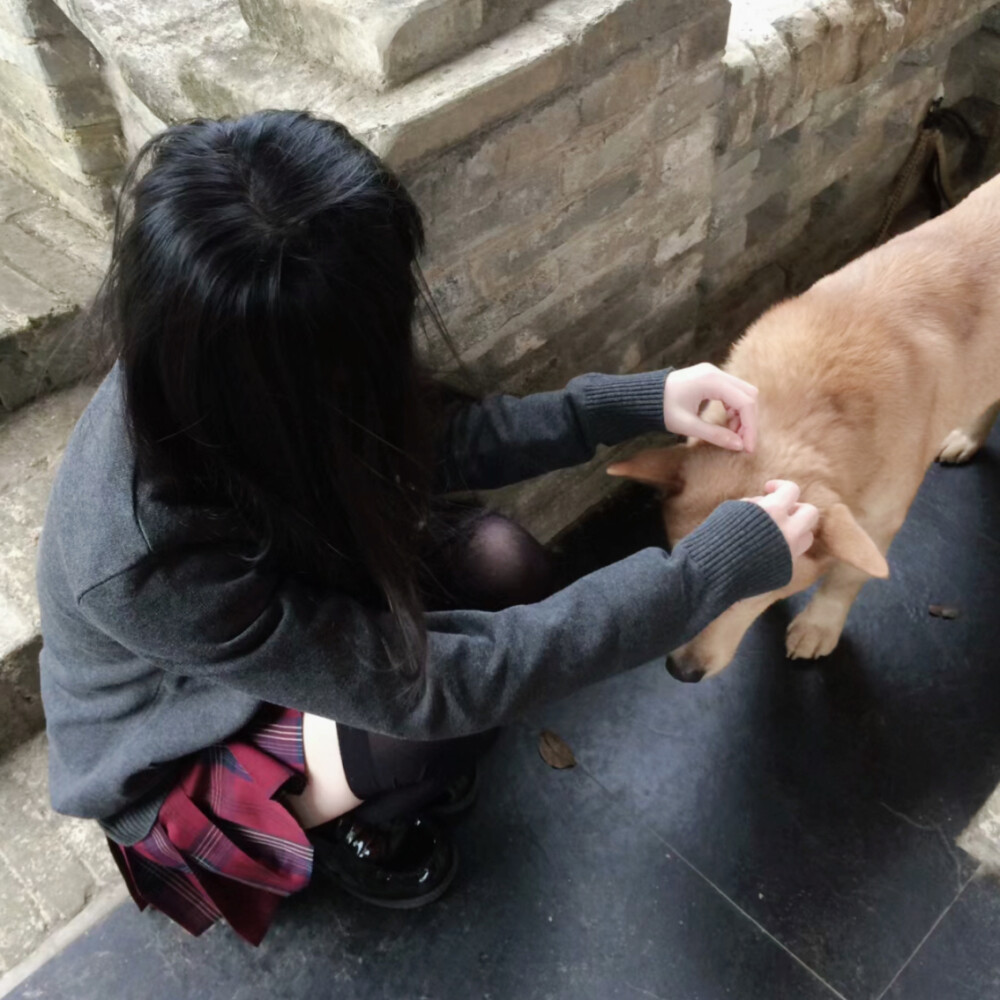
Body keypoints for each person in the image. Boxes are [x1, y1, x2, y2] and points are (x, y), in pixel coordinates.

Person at [36, 110, 819, 946]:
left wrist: (632, 404)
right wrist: (703, 574)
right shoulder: (141, 553)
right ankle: (355, 826)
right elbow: (436, 686)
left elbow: (421, 439)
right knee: (425, 733)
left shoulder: (232, 357)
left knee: (502, 560)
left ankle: (369, 780)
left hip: (270, 626)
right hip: (178, 741)